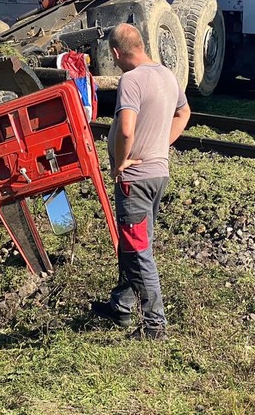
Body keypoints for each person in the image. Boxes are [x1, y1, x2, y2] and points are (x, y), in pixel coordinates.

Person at [90, 23, 191, 340]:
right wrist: (163, 144)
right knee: (133, 246)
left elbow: (126, 130)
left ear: (117, 53)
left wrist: (120, 163)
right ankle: (122, 306)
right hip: (158, 174)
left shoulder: (131, 81)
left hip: (135, 179)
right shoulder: (166, 75)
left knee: (138, 251)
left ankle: (154, 325)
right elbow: (184, 114)